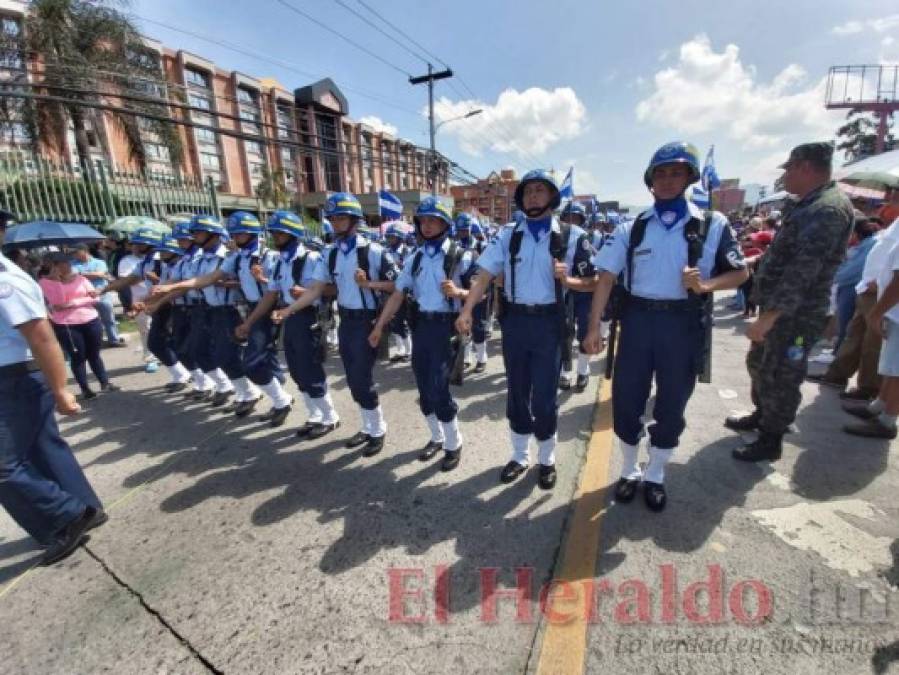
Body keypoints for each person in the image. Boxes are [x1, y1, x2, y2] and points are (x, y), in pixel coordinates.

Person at [582, 142, 748, 511]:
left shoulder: (712, 224)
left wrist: (705, 286)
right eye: (661, 173)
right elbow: (606, 278)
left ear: (689, 177)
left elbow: (740, 272)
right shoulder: (633, 227)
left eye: (676, 172)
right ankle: (628, 470)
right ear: (650, 181)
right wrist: (594, 326)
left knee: (672, 405)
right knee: (626, 402)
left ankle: (655, 473)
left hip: (683, 324)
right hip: (638, 322)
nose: (668, 180)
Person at [456, 170, 597, 490]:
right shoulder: (508, 234)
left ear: (551, 197)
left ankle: (546, 459)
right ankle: (520, 456)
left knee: (545, 397)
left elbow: (596, 281)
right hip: (516, 323)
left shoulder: (572, 235)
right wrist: (467, 309)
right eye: (528, 191)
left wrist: (569, 280)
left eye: (540, 190)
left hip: (550, 323)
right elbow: (484, 275)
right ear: (521, 198)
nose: (533, 196)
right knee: (517, 391)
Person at [724, 142, 854, 461]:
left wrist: (769, 317)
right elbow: (788, 254)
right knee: (760, 365)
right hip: (781, 310)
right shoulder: (809, 205)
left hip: (794, 314)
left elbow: (802, 271)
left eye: (789, 169)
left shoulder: (827, 209)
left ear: (805, 167)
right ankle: (763, 415)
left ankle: (771, 438)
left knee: (781, 374)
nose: (786, 177)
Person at [0, 249, 108, 565]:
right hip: (14, 377)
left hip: (15, 377)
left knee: (3, 465)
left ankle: (66, 517)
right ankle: (86, 507)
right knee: (42, 447)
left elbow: (42, 336)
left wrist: (61, 389)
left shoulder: (6, 281)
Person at [273, 193, 397, 456]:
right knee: (353, 379)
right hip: (346, 322)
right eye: (332, 218)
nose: (335, 223)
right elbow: (316, 290)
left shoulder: (372, 251)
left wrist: (369, 284)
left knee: (362, 379)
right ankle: (367, 426)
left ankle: (378, 429)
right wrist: (288, 310)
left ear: (354, 219)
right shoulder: (330, 254)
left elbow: (398, 285)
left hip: (367, 320)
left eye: (341, 217)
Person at [153, 212, 292, 420]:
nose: (235, 238)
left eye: (240, 234)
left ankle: (279, 397)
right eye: (234, 234)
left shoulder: (268, 256)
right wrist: (173, 286)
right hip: (245, 308)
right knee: (227, 356)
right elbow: (207, 279)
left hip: (265, 309)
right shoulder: (236, 258)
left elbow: (276, 288)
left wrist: (260, 280)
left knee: (253, 360)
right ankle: (273, 398)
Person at [369, 197, 473, 471]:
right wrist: (380, 326)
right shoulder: (414, 257)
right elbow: (398, 293)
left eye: (432, 220)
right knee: (423, 386)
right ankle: (436, 437)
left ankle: (453, 443)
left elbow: (480, 291)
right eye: (422, 221)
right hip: (422, 327)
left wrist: (459, 293)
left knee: (439, 386)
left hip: (446, 326)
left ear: (445, 223)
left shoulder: (460, 256)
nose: (426, 226)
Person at [237, 211, 340, 435]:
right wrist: (250, 322)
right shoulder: (280, 262)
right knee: (296, 370)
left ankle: (330, 416)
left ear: (293, 234)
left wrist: (305, 292)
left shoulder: (311, 258)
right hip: (289, 317)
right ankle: (315, 415)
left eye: (280, 234)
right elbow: (270, 295)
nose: (276, 238)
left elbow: (332, 289)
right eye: (274, 233)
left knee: (309, 369)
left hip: (309, 318)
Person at [811, 217, 899, 401]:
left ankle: (869, 388)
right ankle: (836, 375)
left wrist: (883, 282)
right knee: (854, 335)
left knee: (872, 342)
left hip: (879, 292)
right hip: (868, 288)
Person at [39, 251, 121, 400]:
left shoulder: (81, 278)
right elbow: (58, 303)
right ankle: (85, 389)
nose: (69, 266)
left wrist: (73, 303)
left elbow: (94, 298)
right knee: (78, 357)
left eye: (69, 262)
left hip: (91, 319)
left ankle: (105, 382)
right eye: (64, 263)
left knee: (94, 354)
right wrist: (57, 281)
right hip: (67, 325)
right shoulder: (46, 283)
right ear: (54, 266)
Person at [842, 234, 899, 439]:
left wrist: (877, 313)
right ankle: (879, 407)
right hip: (894, 312)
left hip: (895, 310)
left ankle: (887, 421)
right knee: (892, 368)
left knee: (896, 372)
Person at [141, 235, 193, 392]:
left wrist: (155, 302)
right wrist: (145, 302)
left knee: (186, 346)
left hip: (181, 307)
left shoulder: (184, 264)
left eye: (165, 251)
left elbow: (176, 288)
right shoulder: (169, 266)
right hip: (170, 306)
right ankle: (182, 375)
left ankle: (196, 378)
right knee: (160, 344)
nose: (161, 254)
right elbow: (163, 287)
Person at [558, 201, 596, 392]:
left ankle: (583, 370)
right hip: (559, 292)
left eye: (576, 218)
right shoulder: (554, 233)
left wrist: (572, 281)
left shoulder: (582, 237)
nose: (571, 221)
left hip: (581, 291)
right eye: (568, 217)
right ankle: (564, 371)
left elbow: (590, 272)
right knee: (563, 332)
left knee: (583, 331)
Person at [70, 243, 122, 348]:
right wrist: (94, 274)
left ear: (84, 251)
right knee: (90, 321)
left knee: (109, 318)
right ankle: (96, 342)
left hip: (101, 293)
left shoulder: (99, 262)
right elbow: (73, 276)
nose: (73, 255)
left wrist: (81, 274)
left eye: (75, 252)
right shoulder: (72, 264)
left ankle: (114, 340)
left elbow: (100, 273)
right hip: (84, 296)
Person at [383, 222, 413, 363]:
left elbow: (408, 272)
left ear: (400, 238)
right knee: (393, 321)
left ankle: (409, 350)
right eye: (388, 237)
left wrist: (398, 266)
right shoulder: (386, 251)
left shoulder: (408, 252)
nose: (390, 240)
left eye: (393, 238)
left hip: (404, 293)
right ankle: (400, 350)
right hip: (390, 291)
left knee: (403, 321)